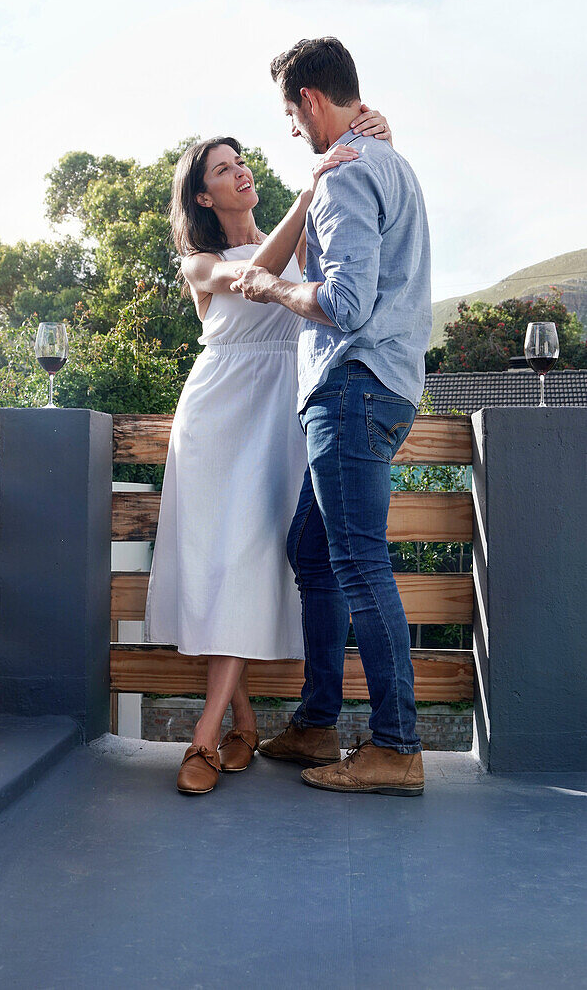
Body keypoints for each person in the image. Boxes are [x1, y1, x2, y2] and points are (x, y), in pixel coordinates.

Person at [145, 107, 393, 794]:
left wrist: (370, 145)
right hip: (217, 414)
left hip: (282, 409)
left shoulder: (303, 236)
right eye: (223, 169)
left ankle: (217, 733)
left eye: (240, 160)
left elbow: (343, 275)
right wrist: (309, 194)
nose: (240, 170)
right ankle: (231, 727)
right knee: (220, 561)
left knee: (255, 557)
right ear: (203, 195)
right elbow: (255, 273)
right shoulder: (199, 262)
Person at [234, 36, 432, 796]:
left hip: (352, 385)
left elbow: (346, 303)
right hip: (379, 384)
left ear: (312, 101)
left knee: (355, 561)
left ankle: (397, 746)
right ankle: (318, 722)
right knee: (313, 552)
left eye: (291, 113)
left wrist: (277, 291)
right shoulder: (389, 161)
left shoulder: (348, 173)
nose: (292, 129)